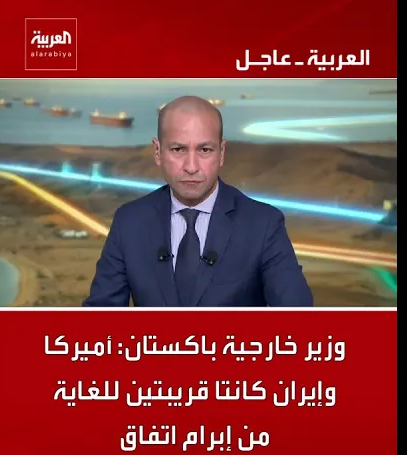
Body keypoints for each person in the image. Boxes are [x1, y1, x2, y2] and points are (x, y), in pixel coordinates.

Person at [83, 96, 314, 307]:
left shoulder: (263, 224)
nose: (191, 167)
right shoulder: (129, 222)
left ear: (221, 152)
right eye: (178, 149)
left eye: (204, 150)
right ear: (157, 152)